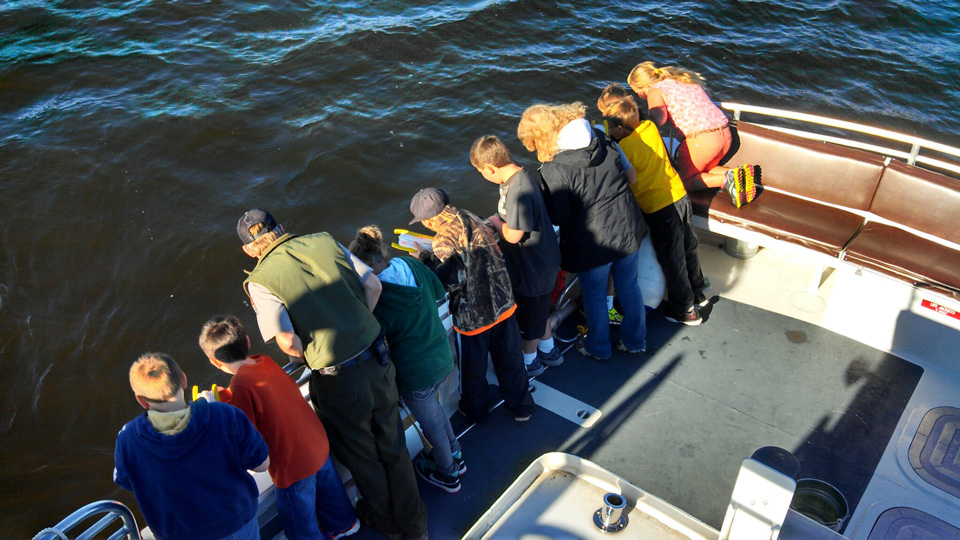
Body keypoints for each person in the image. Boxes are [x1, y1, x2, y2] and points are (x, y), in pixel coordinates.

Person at [236, 209, 427, 540]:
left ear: (249, 249)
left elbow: (286, 340)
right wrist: (357, 324)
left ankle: (384, 521)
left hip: (338, 379)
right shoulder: (323, 240)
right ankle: (415, 524)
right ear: (280, 227)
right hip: (378, 358)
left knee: (363, 455)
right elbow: (373, 285)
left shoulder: (260, 280)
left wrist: (308, 353)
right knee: (393, 444)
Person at [198, 315, 360, 540]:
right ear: (246, 342)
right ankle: (344, 525)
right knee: (330, 490)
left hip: (293, 466)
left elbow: (244, 430)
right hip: (316, 442)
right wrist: (229, 395)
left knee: (297, 517)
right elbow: (256, 391)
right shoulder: (263, 361)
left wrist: (217, 408)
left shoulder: (241, 385)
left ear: (215, 362)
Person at [517, 102, 647, 361]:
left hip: (594, 244)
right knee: (630, 287)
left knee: (595, 296)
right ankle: (636, 341)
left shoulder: (554, 168)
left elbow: (560, 215)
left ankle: (598, 348)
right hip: (628, 226)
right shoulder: (599, 137)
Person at [348, 225, 466, 494]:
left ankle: (448, 474)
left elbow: (373, 335)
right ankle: (455, 454)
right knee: (435, 412)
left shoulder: (378, 296)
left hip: (416, 373)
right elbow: (438, 292)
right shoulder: (408, 264)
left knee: (431, 423)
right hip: (442, 356)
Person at [408, 188, 535, 424]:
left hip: (474, 318)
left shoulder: (443, 239)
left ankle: (477, 411)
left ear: (429, 220)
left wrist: (426, 260)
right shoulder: (470, 216)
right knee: (511, 361)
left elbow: (451, 280)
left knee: (473, 372)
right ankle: (522, 407)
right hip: (504, 304)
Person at [113, 353, 270, 540]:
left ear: (141, 399)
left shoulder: (127, 439)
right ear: (183, 379)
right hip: (236, 524)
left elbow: (126, 481)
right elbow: (262, 464)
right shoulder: (226, 414)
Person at [597, 83, 709, 325]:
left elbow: (622, 175)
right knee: (689, 247)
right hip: (678, 195)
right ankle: (697, 293)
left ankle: (685, 309)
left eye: (609, 126)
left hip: (660, 209)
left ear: (618, 128)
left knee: (672, 259)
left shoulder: (623, 148)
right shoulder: (648, 127)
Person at [470, 135, 564, 376]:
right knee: (541, 312)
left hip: (532, 268)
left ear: (490, 168)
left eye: (481, 171)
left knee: (529, 322)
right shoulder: (520, 175)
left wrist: (493, 221)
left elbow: (513, 235)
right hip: (542, 261)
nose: (482, 176)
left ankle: (530, 363)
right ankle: (550, 350)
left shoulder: (517, 190)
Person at [627, 61, 758, 207]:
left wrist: (639, 120)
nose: (639, 96)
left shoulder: (654, 91)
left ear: (643, 85)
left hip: (702, 140)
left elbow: (659, 119)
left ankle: (726, 179)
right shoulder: (682, 80)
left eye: (637, 91)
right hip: (724, 134)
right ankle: (739, 174)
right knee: (705, 169)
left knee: (685, 181)